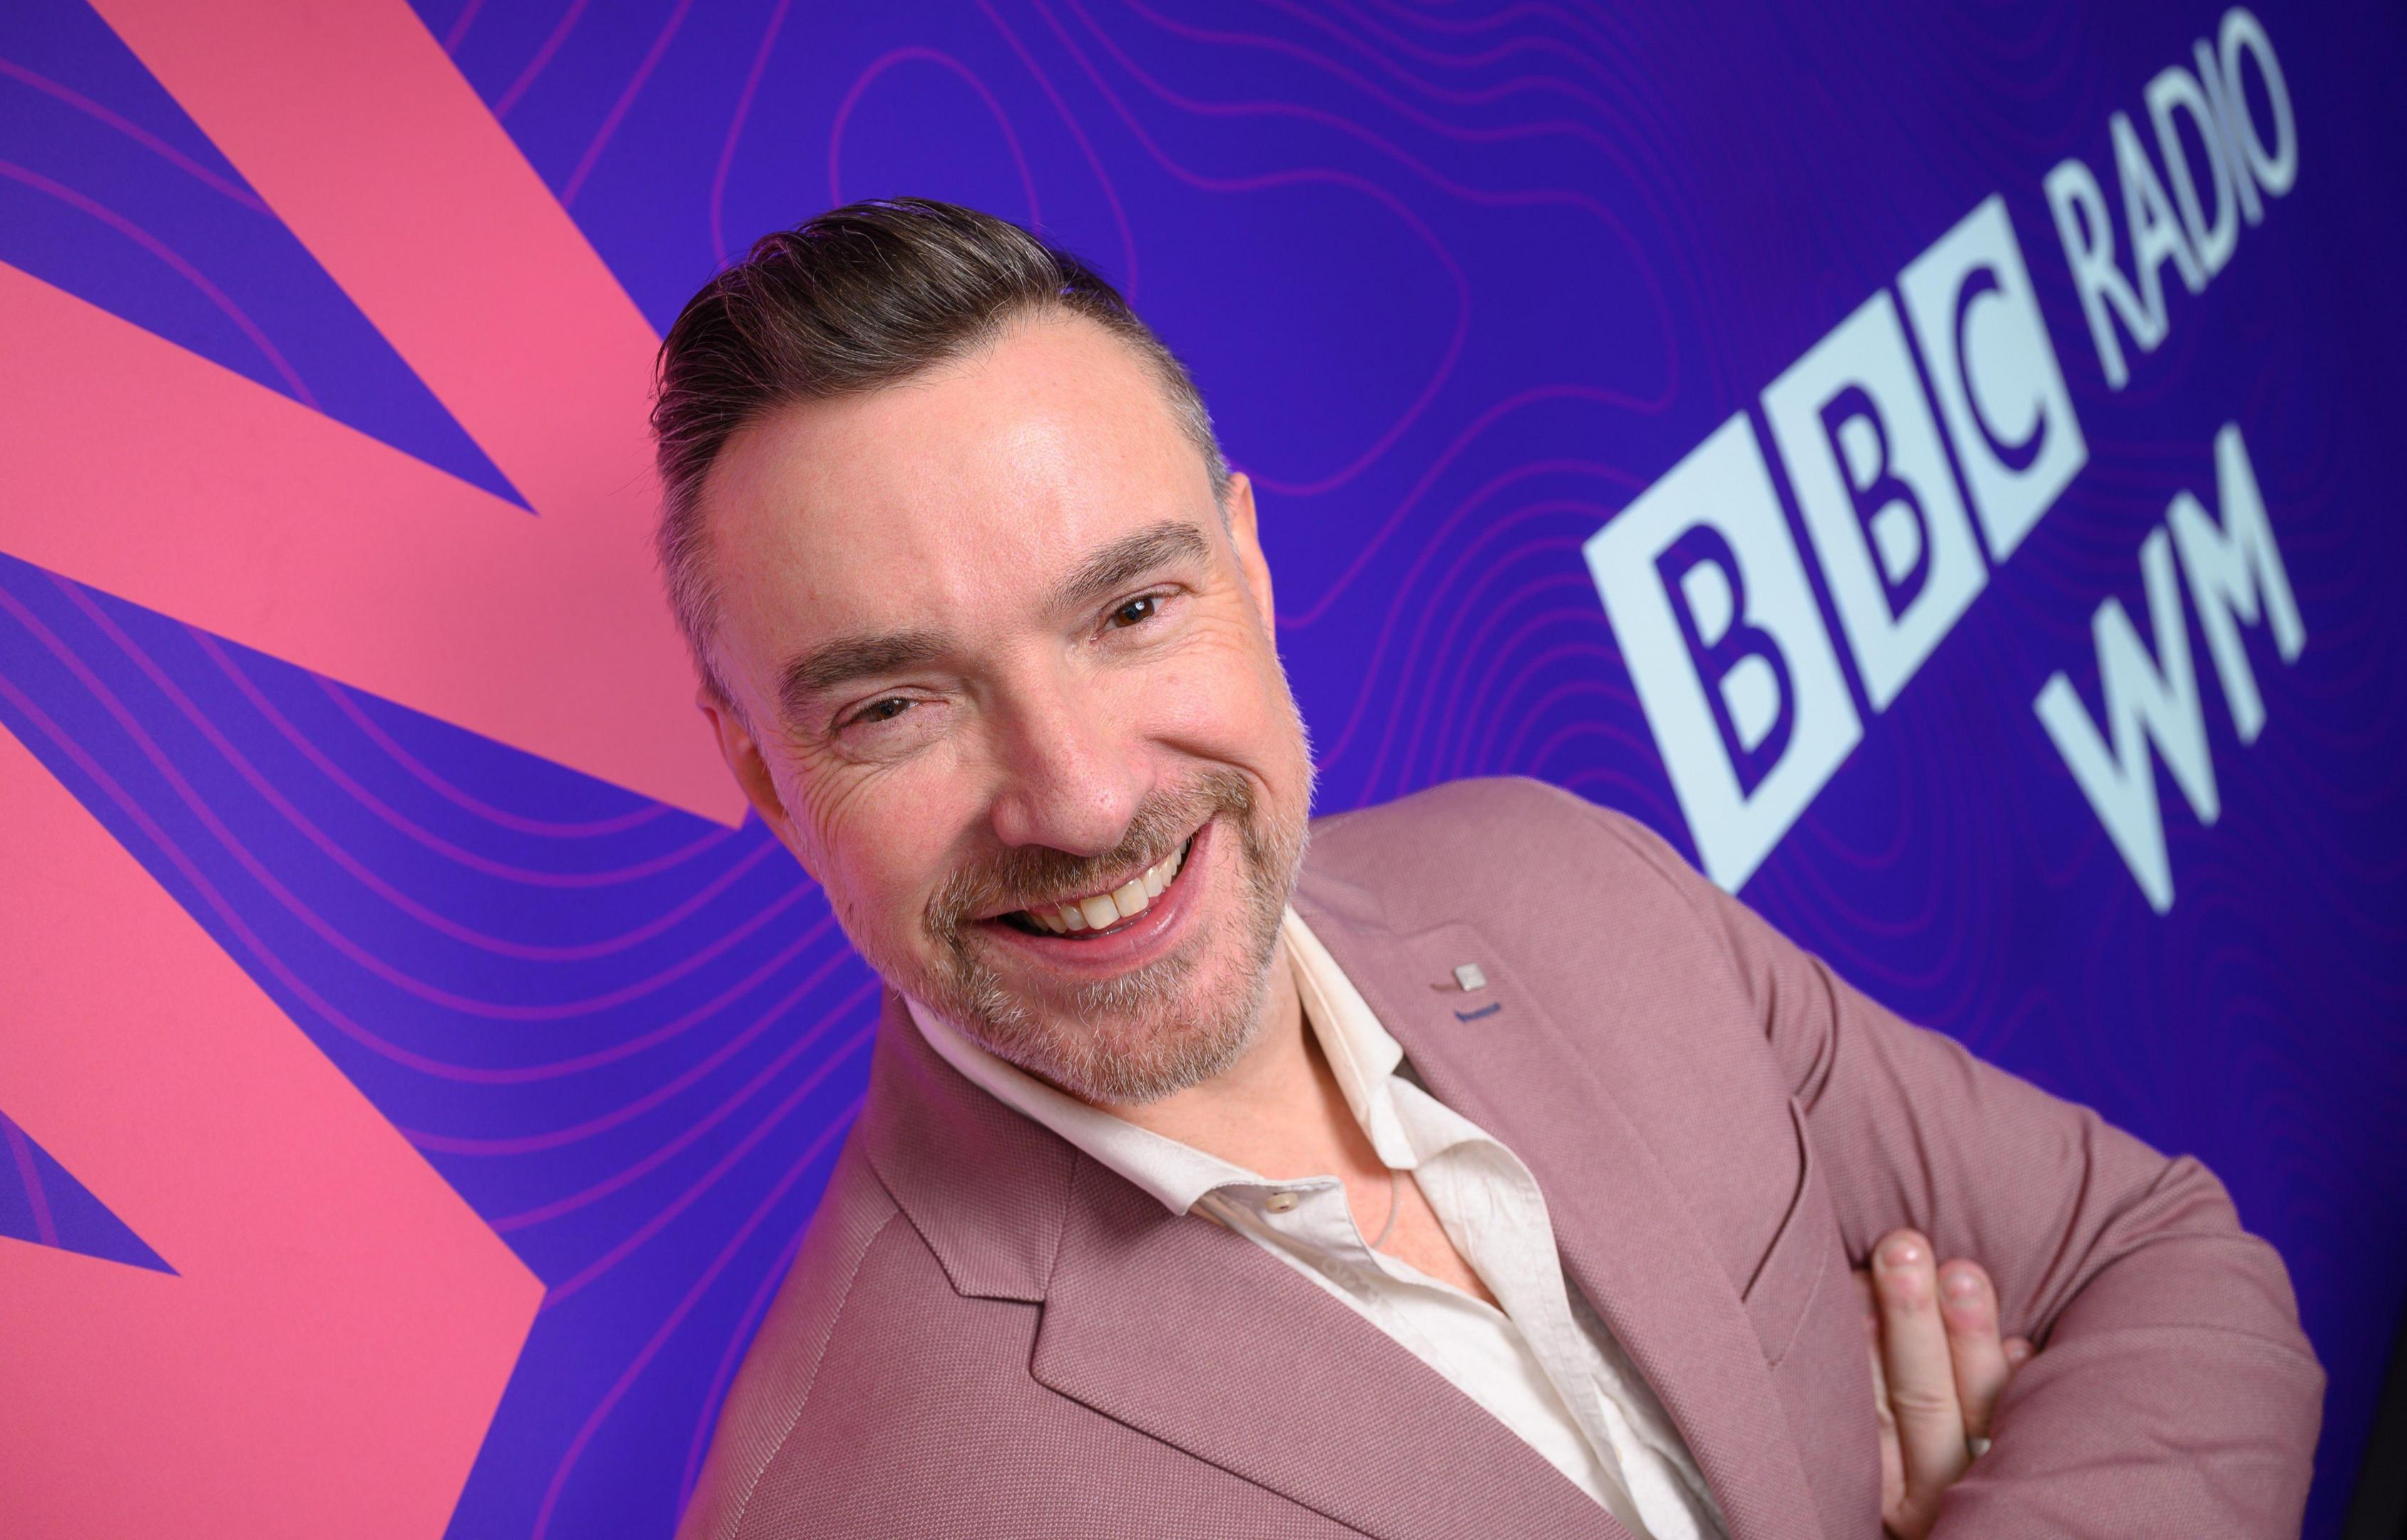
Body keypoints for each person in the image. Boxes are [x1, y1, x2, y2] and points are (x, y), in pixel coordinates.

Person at [655, 200, 2321, 1539]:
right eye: (895, 705)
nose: (1082, 803)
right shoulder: (847, 1503)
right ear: (769, 782)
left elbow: (2162, 1265)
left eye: (1133, 610)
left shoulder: (1551, 871)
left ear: (1247, 562)